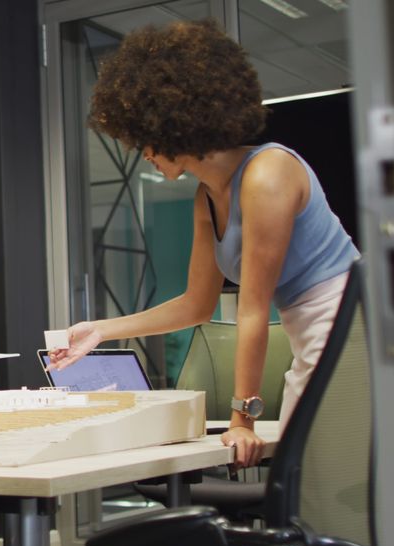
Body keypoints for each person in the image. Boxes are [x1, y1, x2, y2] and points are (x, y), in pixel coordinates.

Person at [48, 20, 358, 468]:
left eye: (147, 139)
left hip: (351, 331)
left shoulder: (269, 175)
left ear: (178, 123)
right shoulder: (205, 198)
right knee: (308, 485)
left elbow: (252, 309)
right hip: (311, 337)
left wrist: (242, 419)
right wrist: (101, 331)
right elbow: (196, 305)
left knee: (324, 485)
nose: (145, 152)